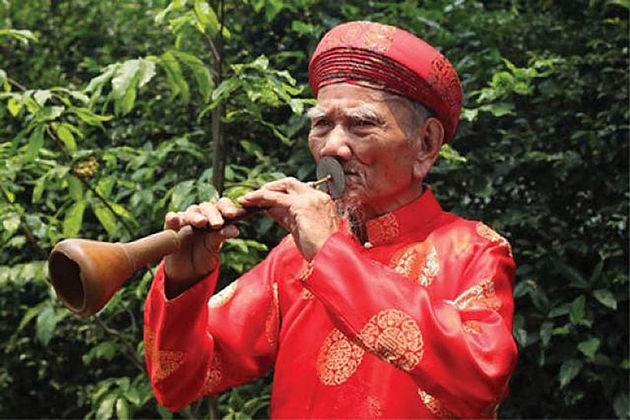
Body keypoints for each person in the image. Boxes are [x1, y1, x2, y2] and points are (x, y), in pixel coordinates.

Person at [144, 21, 517, 418]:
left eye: (361, 124)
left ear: (425, 144)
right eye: (322, 124)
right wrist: (185, 282)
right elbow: (177, 381)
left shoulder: (473, 248)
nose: (333, 147)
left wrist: (329, 254)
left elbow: (483, 376)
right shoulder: (293, 256)